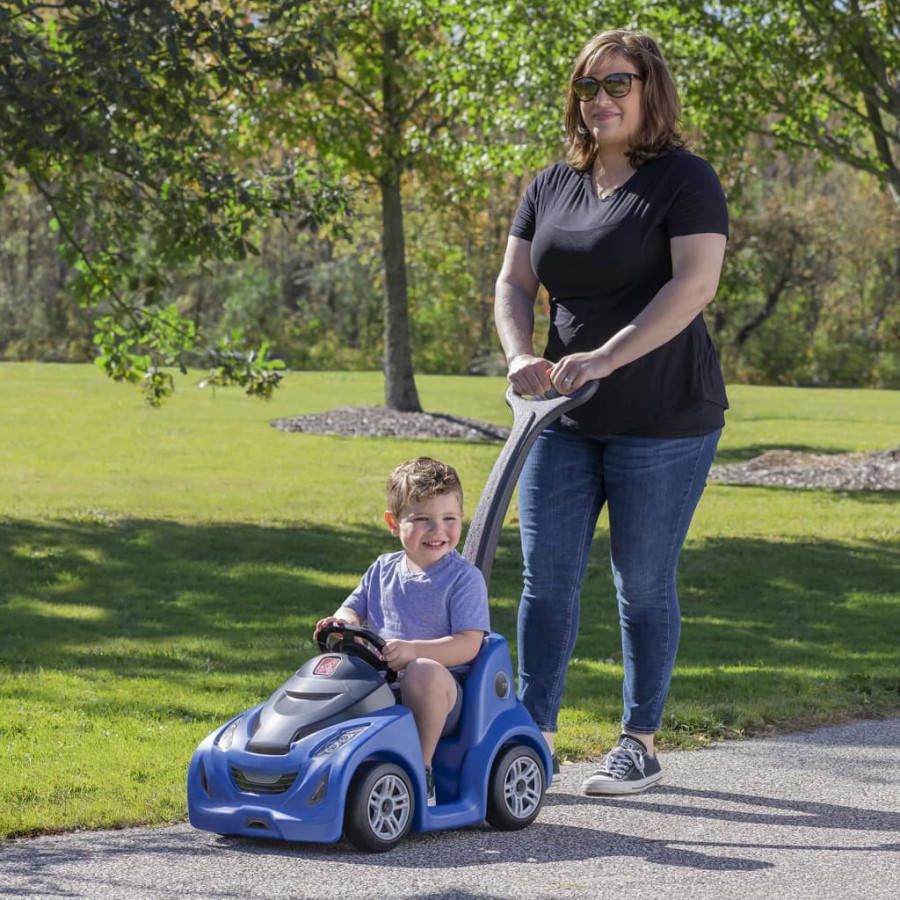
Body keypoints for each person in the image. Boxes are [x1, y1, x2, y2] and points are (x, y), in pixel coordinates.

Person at [494, 29, 729, 795]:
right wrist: (517, 352)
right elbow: (513, 283)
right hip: (561, 415)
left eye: (616, 84)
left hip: (664, 414)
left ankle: (639, 741)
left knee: (642, 581)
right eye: (588, 88)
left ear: (649, 89)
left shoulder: (685, 180)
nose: (600, 100)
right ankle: (534, 737)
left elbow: (692, 287)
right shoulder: (550, 183)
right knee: (546, 579)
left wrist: (604, 358)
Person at [313, 456, 490, 806]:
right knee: (328, 673)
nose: (438, 531)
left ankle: (420, 769)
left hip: (443, 696)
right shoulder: (382, 569)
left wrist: (413, 651)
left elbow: (468, 645)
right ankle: (320, 768)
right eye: (422, 520)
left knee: (421, 673)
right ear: (394, 523)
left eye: (449, 519)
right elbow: (353, 608)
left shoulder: (463, 579)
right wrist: (341, 622)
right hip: (379, 686)